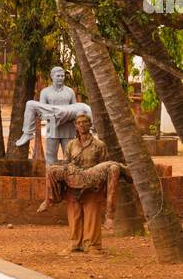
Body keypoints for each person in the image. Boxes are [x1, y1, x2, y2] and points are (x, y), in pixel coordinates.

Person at [37, 113, 131, 252]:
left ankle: (92, 245)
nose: (81, 125)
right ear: (75, 126)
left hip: (92, 184)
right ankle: (75, 244)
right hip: (73, 183)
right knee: (74, 215)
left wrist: (99, 185)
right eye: (79, 123)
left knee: (92, 215)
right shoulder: (71, 145)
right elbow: (66, 163)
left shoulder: (99, 145)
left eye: (85, 122)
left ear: (90, 124)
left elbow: (103, 166)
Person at [15, 66, 92, 163]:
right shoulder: (45, 92)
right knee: (50, 156)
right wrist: (51, 118)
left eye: (62, 76)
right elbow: (42, 114)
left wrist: (66, 119)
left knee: (70, 157)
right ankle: (50, 177)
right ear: (52, 76)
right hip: (52, 127)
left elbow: (74, 110)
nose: (61, 78)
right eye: (58, 76)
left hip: (67, 128)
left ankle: (69, 177)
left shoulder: (70, 91)